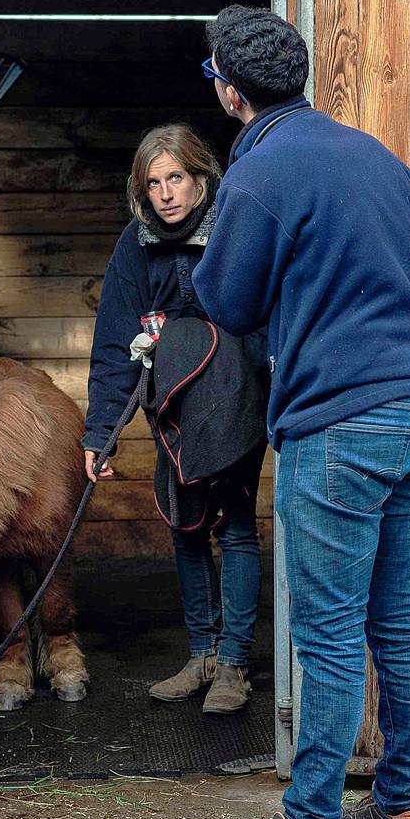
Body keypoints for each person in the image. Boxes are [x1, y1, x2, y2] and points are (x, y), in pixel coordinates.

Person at [191, 7, 410, 819]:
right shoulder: (382, 162)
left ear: (230, 89)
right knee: (399, 624)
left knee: (325, 639)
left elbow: (230, 303)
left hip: (338, 430)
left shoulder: (258, 176)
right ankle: (401, 810)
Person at [83, 124, 266, 715]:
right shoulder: (133, 246)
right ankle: (202, 655)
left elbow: (263, 315)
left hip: (235, 399)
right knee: (184, 524)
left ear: (200, 177)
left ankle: (235, 663)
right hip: (174, 407)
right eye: (154, 182)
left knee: (235, 525)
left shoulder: (234, 230)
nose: (165, 194)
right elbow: (115, 340)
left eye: (176, 178)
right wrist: (101, 434)